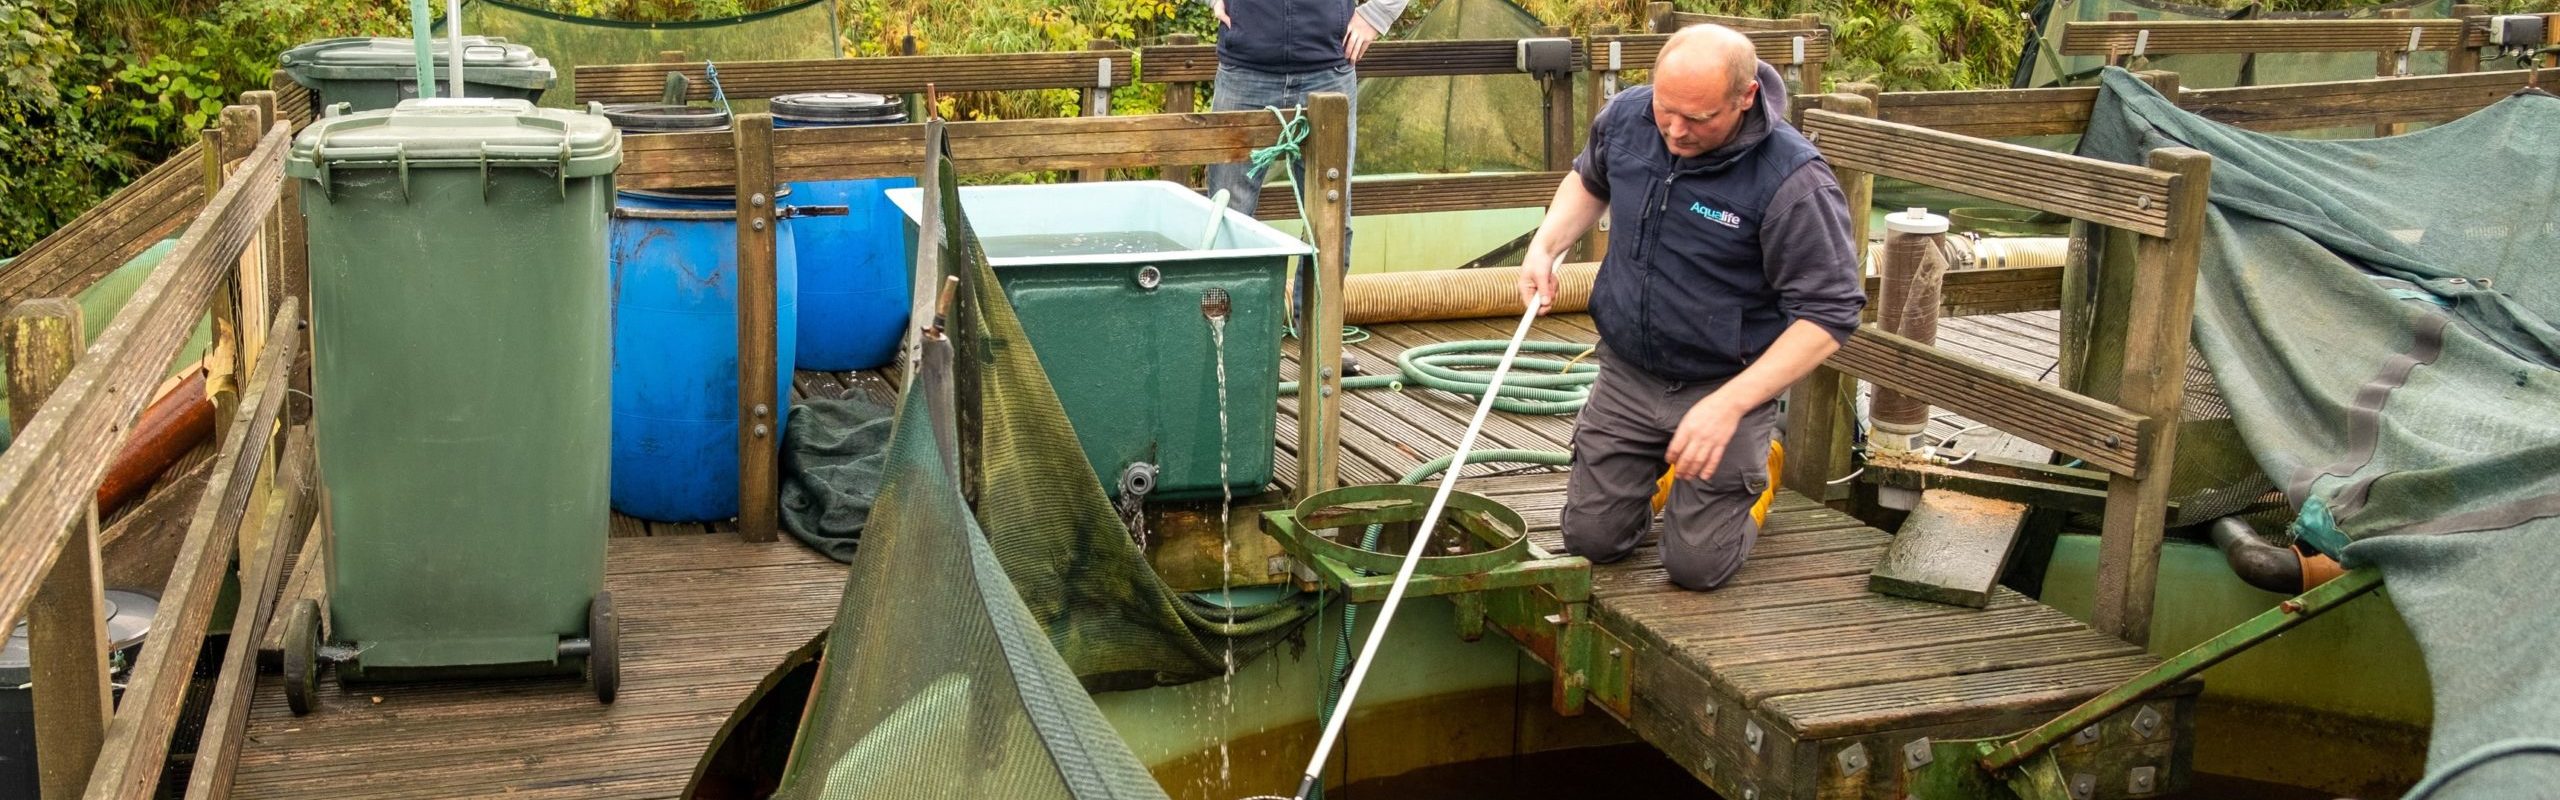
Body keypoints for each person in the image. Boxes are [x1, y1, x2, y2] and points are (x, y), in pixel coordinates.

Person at [1515, 24, 1865, 591]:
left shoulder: (1794, 181)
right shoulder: (1628, 116)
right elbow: (1590, 178)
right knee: (1593, 541)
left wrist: (1731, 405)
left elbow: (1830, 313)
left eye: (1699, 119)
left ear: (1745, 97)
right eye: (1666, 110)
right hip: (1630, 369)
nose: (1675, 131)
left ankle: (1763, 455)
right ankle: (1659, 477)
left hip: (1726, 383)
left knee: (1697, 567)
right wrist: (1545, 247)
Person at [1203, 0, 1407, 340]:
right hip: (1244, 72)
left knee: (1332, 219)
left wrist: (1377, 14)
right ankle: (1223, 340)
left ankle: (1319, 341)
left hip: (1327, 72)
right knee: (1226, 217)